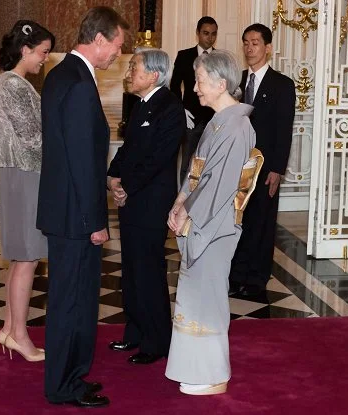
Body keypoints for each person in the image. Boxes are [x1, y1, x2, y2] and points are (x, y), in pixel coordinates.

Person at [37, 7, 129, 409]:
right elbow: (80, 160)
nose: (118, 56)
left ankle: (70, 377)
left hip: (67, 213)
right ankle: (63, 386)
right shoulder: (76, 82)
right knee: (72, 304)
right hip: (76, 217)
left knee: (71, 301)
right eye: (118, 47)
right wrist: (97, 221)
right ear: (99, 40)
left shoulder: (63, 75)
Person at [165, 50, 261, 395]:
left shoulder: (236, 128)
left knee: (209, 299)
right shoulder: (218, 122)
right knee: (196, 297)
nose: (195, 88)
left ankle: (215, 373)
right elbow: (196, 173)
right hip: (201, 220)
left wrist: (187, 211)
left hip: (215, 227)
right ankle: (196, 368)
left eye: (201, 81)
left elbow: (218, 187)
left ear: (221, 84)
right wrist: (178, 203)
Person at [107, 48, 185, 365]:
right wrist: (113, 175)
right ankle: (135, 332)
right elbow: (129, 149)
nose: (129, 73)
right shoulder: (141, 104)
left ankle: (157, 341)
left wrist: (127, 188)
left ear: (153, 74)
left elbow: (157, 160)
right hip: (133, 200)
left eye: (134, 67)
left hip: (151, 202)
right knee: (131, 270)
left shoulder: (170, 108)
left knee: (149, 271)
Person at [0, 20, 54, 363]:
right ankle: (19, 335)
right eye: (42, 52)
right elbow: (33, 138)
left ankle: (9, 328)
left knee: (20, 257)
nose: (45, 58)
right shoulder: (14, 85)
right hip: (25, 173)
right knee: (27, 257)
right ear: (25, 50)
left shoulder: (12, 83)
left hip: (20, 173)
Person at [229, 23, 296, 297]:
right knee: (236, 222)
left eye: (255, 43)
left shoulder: (282, 84)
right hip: (235, 165)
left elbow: (284, 129)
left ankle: (256, 278)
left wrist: (278, 168)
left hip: (265, 167)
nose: (249, 48)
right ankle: (235, 274)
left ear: (268, 47)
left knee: (262, 222)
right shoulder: (237, 81)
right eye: (246, 42)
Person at [170, 16, 218, 183]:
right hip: (190, 118)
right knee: (188, 163)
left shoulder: (220, 58)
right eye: (206, 33)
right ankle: (182, 203)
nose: (209, 37)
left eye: (213, 34)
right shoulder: (184, 56)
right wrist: (181, 110)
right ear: (198, 33)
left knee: (212, 162)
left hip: (214, 118)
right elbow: (174, 86)